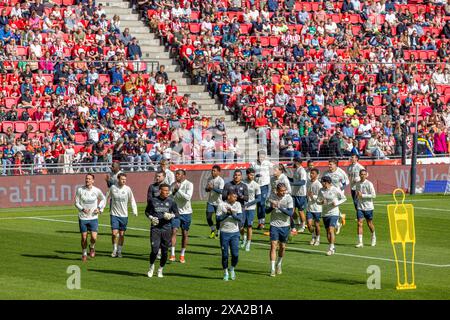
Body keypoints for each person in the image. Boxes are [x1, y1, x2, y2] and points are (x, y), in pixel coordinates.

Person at [145, 183, 179, 278]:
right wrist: (151, 217)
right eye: (165, 191)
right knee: (155, 250)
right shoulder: (153, 200)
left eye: (168, 191)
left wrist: (171, 215)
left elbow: (177, 213)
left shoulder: (171, 201)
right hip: (155, 229)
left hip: (166, 229)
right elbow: (147, 212)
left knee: (164, 252)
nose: (167, 192)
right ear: (160, 191)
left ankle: (160, 269)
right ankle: (151, 267)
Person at [74, 174, 106, 262]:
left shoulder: (97, 190)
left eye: (89, 179)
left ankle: (92, 247)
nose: (87, 180)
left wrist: (99, 208)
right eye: (86, 179)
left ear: (93, 181)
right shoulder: (80, 190)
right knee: (84, 237)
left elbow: (103, 199)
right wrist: (82, 209)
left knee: (93, 237)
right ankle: (84, 253)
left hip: (93, 217)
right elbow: (76, 203)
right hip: (83, 217)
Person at [106, 173, 138, 257]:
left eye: (125, 179)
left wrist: (135, 210)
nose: (124, 181)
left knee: (121, 234)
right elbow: (106, 197)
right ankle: (114, 250)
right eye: (122, 179)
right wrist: (101, 208)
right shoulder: (113, 188)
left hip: (124, 215)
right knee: (114, 233)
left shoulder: (128, 189)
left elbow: (132, 200)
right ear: (118, 179)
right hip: (114, 214)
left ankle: (119, 251)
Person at [267, 183, 294, 277]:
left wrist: (280, 207)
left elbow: (290, 213)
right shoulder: (272, 197)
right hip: (274, 224)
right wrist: (271, 207)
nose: (283, 192)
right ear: (277, 190)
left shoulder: (289, 198)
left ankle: (279, 264)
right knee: (273, 245)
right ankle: (272, 269)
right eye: (281, 191)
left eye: (284, 190)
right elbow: (266, 211)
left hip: (285, 225)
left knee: (282, 246)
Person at [216, 191, 243, 281]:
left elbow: (240, 218)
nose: (235, 198)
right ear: (228, 197)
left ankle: (232, 268)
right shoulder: (221, 205)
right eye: (234, 197)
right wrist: (226, 214)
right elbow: (218, 219)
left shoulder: (238, 205)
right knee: (225, 255)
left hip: (235, 233)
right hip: (224, 232)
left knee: (235, 255)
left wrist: (231, 213)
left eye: (236, 197)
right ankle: (226, 272)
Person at [317, 176, 347, 256]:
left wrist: (336, 203)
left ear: (326, 182)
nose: (321, 183)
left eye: (322, 182)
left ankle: (331, 247)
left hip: (334, 212)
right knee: (327, 232)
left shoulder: (335, 189)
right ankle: (331, 246)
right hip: (325, 213)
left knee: (331, 230)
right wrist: (321, 202)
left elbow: (344, 198)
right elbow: (317, 200)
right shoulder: (321, 190)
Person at [170, 169, 194, 263]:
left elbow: (188, 197)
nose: (176, 176)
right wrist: (174, 192)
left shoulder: (189, 184)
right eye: (176, 174)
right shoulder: (173, 184)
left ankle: (182, 255)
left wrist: (178, 190)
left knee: (185, 233)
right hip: (176, 212)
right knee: (174, 231)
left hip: (186, 212)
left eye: (178, 174)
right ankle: (172, 254)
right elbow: (170, 197)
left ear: (184, 176)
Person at [323, 158, 349, 234]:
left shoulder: (341, 172)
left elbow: (346, 182)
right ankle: (340, 218)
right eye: (329, 164)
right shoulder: (326, 173)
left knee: (334, 206)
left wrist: (340, 190)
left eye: (330, 164)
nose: (329, 165)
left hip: (337, 192)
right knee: (329, 206)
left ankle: (336, 224)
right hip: (328, 192)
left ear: (335, 164)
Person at [222, 169, 249, 241]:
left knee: (240, 225)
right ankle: (233, 239)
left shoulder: (244, 186)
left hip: (240, 208)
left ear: (241, 177)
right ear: (233, 176)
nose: (236, 177)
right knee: (230, 224)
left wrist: (240, 196)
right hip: (229, 207)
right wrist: (230, 197)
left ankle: (243, 237)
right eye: (235, 175)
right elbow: (223, 197)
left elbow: (247, 198)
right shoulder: (227, 185)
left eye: (238, 175)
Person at [250, 151, 273, 230]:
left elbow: (276, 167)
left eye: (263, 156)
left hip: (264, 186)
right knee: (258, 203)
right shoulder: (253, 163)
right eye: (260, 156)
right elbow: (249, 173)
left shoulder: (267, 163)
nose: (261, 158)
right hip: (256, 186)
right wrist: (255, 175)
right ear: (257, 156)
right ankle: (260, 222)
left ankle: (262, 222)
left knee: (262, 203)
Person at [354, 169, 377, 248]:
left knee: (369, 223)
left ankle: (373, 236)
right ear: (359, 175)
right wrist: (357, 197)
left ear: (366, 175)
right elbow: (357, 193)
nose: (363, 175)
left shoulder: (369, 184)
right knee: (359, 223)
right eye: (361, 174)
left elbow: (374, 195)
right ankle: (360, 242)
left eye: (364, 174)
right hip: (360, 206)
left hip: (368, 207)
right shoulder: (357, 183)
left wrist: (363, 195)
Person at [241, 167, 261, 251]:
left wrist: (249, 204)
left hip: (251, 208)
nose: (252, 176)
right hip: (242, 207)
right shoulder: (242, 183)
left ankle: (248, 243)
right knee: (240, 226)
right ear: (247, 174)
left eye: (253, 175)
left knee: (249, 226)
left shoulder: (256, 185)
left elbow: (258, 198)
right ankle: (244, 237)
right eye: (251, 175)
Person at [205, 165, 225, 239]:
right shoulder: (209, 179)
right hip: (210, 201)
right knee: (208, 217)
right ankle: (213, 230)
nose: (212, 172)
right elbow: (206, 190)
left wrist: (212, 188)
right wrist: (208, 188)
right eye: (212, 170)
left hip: (219, 202)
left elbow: (221, 191)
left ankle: (218, 232)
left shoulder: (221, 180)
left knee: (218, 219)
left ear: (218, 172)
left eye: (214, 171)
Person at [290, 157, 307, 235]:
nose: (293, 163)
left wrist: (292, 184)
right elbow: (294, 180)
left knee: (300, 211)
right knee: (292, 210)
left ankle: (303, 226)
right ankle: (297, 222)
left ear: (297, 162)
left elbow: (303, 182)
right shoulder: (296, 170)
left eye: (294, 162)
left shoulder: (302, 170)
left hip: (301, 194)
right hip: (294, 193)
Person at [306, 168, 322, 246]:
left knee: (316, 225)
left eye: (313, 173)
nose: (311, 174)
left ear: (316, 175)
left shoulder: (319, 184)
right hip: (309, 207)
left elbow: (321, 197)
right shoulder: (308, 182)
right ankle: (313, 236)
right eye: (310, 173)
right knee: (309, 225)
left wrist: (313, 196)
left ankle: (317, 239)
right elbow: (307, 193)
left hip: (317, 208)